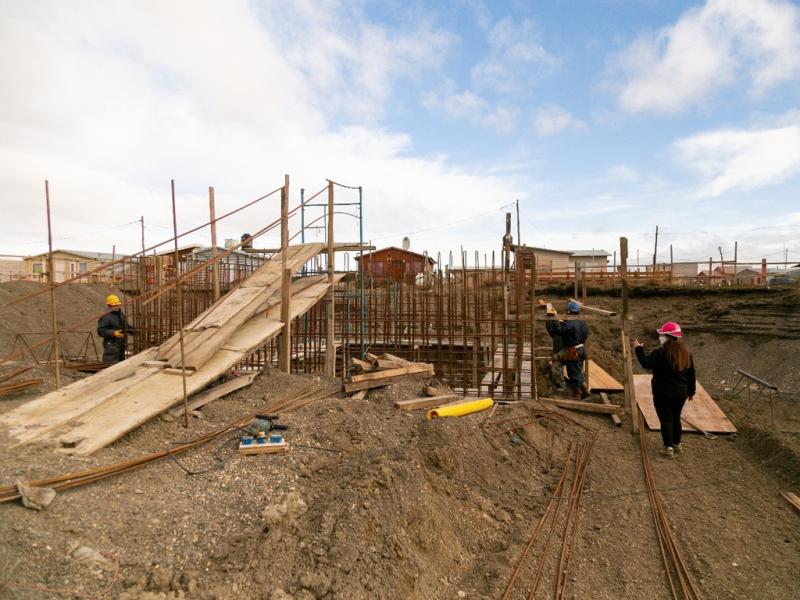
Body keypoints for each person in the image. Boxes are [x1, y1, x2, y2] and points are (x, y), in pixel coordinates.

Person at [634, 321, 696, 459]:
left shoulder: (660, 353)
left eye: (662, 334)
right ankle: (677, 444)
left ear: (668, 336)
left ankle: (668, 448)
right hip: (681, 393)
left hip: (663, 393)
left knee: (666, 419)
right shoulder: (686, 353)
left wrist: (638, 349)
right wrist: (691, 392)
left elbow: (646, 363)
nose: (660, 337)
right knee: (676, 418)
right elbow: (691, 375)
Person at [556, 300, 590, 399]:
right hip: (582, 348)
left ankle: (578, 393)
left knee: (573, 372)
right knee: (578, 370)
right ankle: (585, 389)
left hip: (573, 351)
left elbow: (559, 331)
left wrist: (556, 321)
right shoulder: (582, 322)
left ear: (569, 311)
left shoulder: (569, 322)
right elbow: (585, 335)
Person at [97, 294, 133, 363]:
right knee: (110, 363)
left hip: (121, 343)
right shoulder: (106, 316)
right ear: (109, 305)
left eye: (118, 304)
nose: (117, 306)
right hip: (111, 344)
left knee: (120, 363)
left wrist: (132, 330)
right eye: (115, 305)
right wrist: (113, 333)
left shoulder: (120, 314)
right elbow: (100, 331)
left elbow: (125, 326)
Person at [544, 307, 567, 391]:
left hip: (563, 353)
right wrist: (548, 319)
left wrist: (558, 355)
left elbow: (567, 348)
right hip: (557, 353)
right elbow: (549, 329)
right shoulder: (556, 334)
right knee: (556, 369)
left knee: (556, 368)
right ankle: (557, 383)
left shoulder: (564, 333)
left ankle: (562, 385)